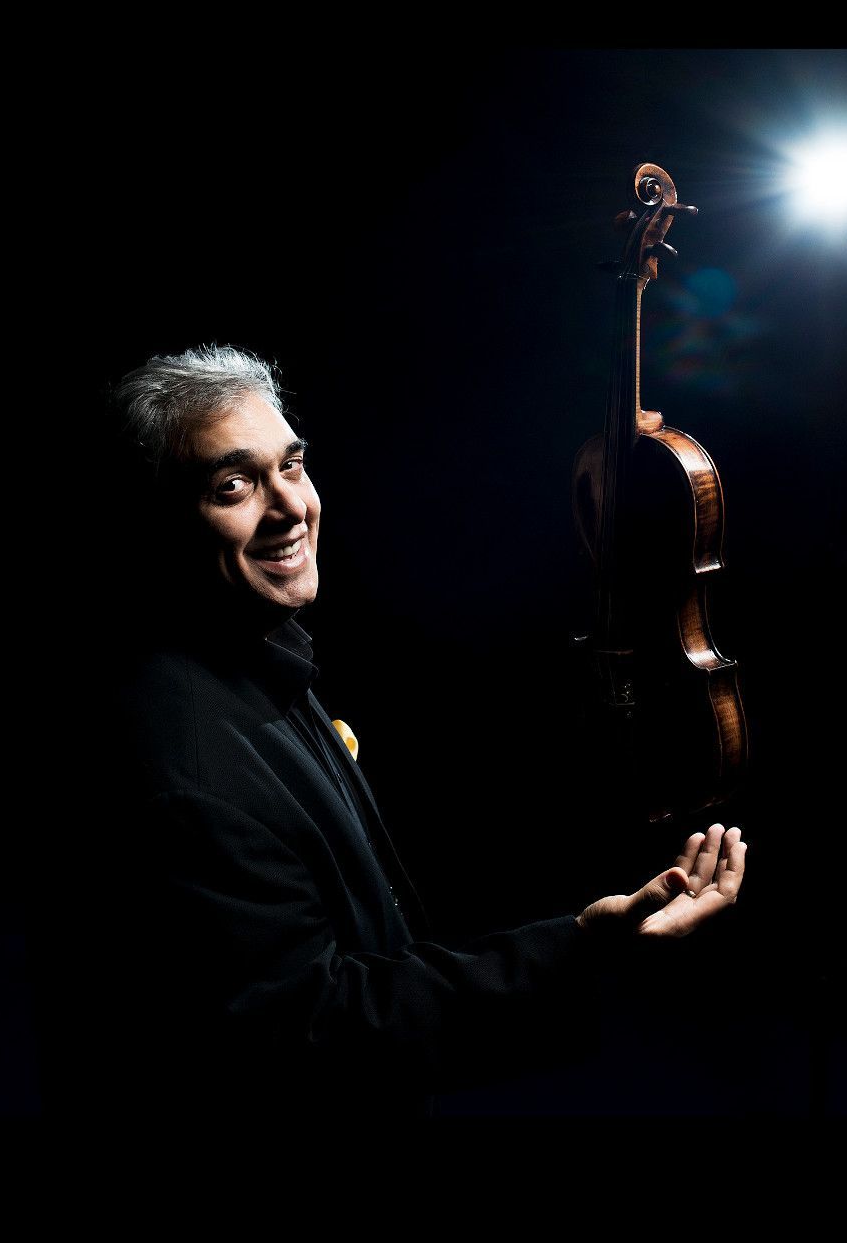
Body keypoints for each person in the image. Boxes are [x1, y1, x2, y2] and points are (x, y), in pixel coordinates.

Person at [42, 345, 746, 1119]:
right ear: (158, 521)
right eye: (233, 485)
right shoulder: (190, 775)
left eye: (292, 466)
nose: (291, 508)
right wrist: (584, 948)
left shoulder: (253, 653)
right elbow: (315, 1032)